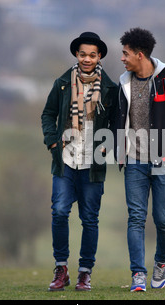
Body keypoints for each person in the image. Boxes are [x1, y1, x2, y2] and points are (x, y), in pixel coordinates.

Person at [112, 27, 165, 292]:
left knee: (163, 218)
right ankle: (138, 274)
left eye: (125, 53)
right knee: (136, 217)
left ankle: (161, 262)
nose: (122, 58)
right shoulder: (123, 84)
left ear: (140, 55)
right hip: (134, 162)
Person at [41, 32, 118, 291]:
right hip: (65, 161)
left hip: (93, 164)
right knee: (60, 212)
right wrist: (52, 141)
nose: (87, 59)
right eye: (83, 54)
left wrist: (109, 146)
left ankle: (85, 272)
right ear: (77, 54)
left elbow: (119, 124)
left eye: (92, 55)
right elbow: (48, 114)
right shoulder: (62, 83)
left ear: (99, 57)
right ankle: (60, 268)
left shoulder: (110, 89)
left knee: (90, 219)